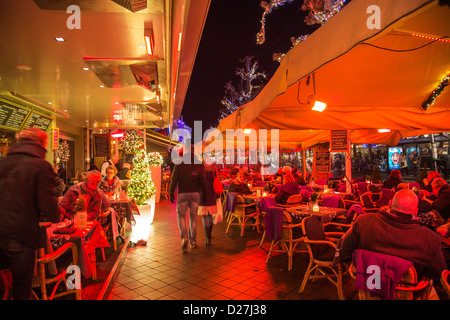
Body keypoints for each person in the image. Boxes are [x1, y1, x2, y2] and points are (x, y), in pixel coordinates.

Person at [337, 189, 446, 285]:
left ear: (389, 205)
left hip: (369, 287)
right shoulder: (429, 239)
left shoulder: (365, 222)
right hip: (408, 294)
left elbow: (346, 249)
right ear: (416, 211)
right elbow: (439, 276)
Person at [0, 127, 60, 300]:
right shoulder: (40, 166)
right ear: (42, 144)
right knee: (22, 288)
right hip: (21, 234)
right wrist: (55, 216)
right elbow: (48, 204)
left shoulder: (3, 162)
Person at [169, 149, 207, 249]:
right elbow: (203, 180)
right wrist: (204, 193)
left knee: (181, 216)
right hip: (195, 193)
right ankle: (193, 242)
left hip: (183, 192)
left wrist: (171, 192)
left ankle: (184, 237)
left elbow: (174, 179)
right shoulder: (198, 164)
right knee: (193, 217)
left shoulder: (179, 163)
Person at [198, 162, 218, 245]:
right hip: (212, 194)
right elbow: (217, 180)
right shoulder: (213, 168)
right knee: (210, 215)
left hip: (202, 195)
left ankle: (208, 237)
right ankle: (209, 233)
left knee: (204, 216)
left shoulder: (199, 168)